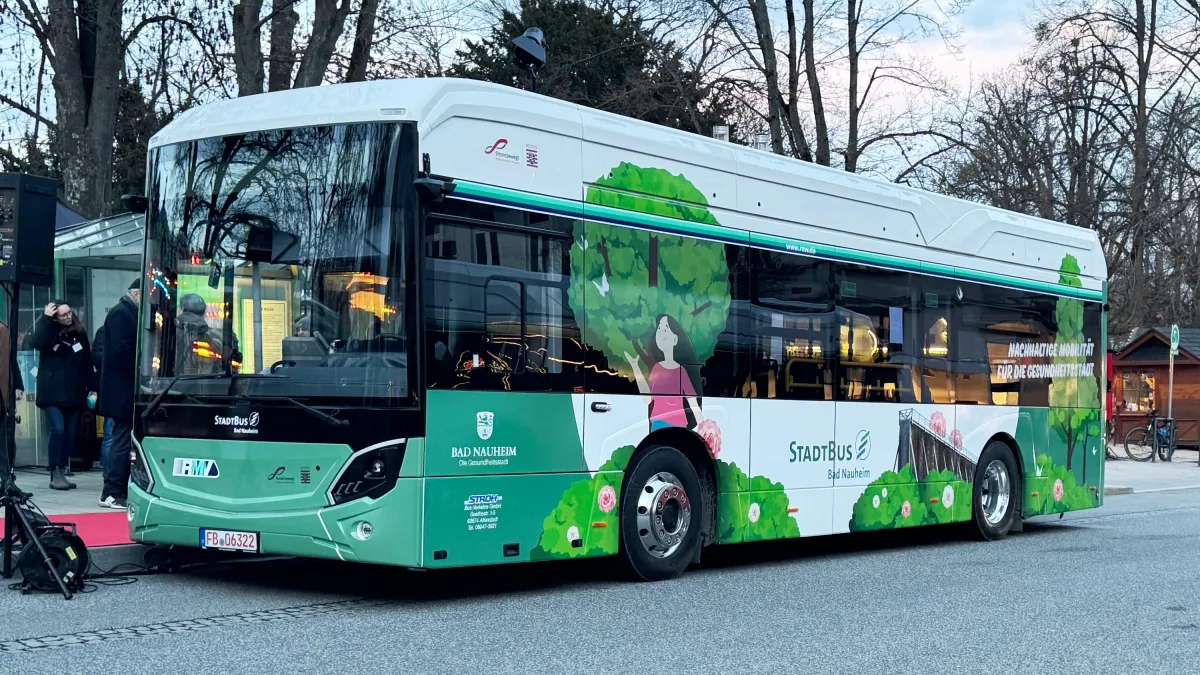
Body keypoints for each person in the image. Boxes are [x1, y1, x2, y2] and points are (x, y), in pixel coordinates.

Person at [31, 301, 92, 491]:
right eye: (63, 315)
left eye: (69, 313)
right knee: (58, 430)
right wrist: (46, 318)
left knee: (71, 433)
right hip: (52, 391)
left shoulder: (78, 333)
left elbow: (86, 361)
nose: (68, 317)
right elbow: (36, 342)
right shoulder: (49, 332)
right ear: (55, 318)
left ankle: (63, 468)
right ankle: (54, 471)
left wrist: (92, 387)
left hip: (74, 392)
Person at [98, 280, 140, 509]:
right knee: (121, 439)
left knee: (123, 438)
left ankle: (116, 489)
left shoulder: (126, 312)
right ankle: (112, 491)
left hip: (123, 389)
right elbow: (121, 351)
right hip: (122, 391)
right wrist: (142, 370)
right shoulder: (122, 314)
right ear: (137, 294)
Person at [624, 313, 705, 432]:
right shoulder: (657, 368)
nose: (661, 333)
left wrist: (703, 426)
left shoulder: (680, 371)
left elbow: (692, 402)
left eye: (666, 329)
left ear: (675, 339)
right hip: (658, 424)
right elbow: (647, 399)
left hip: (678, 425)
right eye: (659, 329)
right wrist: (635, 367)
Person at [0, 320, 24, 477]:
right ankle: (5, 476)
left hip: (2, 395)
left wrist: (17, 385)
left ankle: (5, 476)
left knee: (4, 438)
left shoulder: (2, 330)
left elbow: (9, 360)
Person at [92, 322, 114, 469]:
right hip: (112, 389)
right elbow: (97, 357)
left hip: (125, 388)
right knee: (110, 434)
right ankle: (108, 471)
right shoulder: (105, 331)